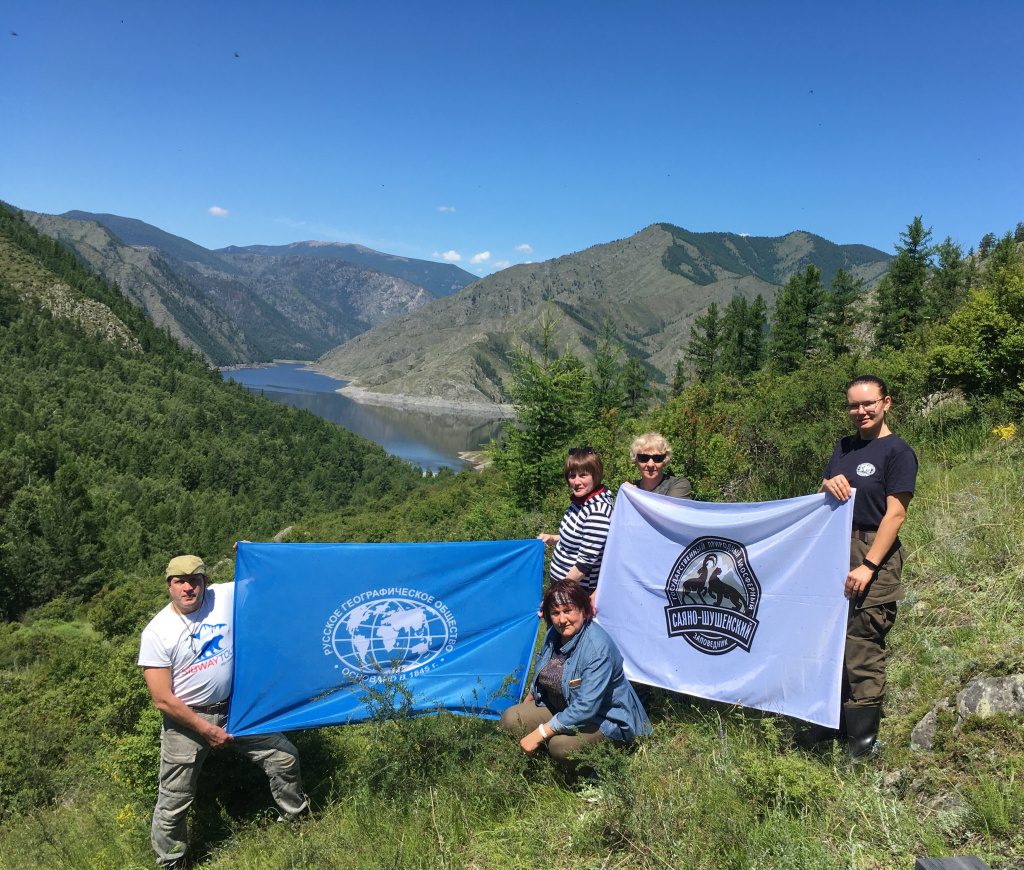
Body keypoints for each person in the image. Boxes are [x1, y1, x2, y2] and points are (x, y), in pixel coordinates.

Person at [138, 555, 308, 867]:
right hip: (186, 720)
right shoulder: (156, 632)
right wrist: (206, 730)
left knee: (284, 758)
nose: (189, 587)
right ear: (169, 585)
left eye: (195, 579)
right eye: (180, 581)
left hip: (237, 708)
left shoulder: (222, 595)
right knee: (175, 798)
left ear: (204, 580)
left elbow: (264, 581)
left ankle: (297, 820)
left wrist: (251, 555)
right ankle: (172, 860)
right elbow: (162, 699)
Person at [813, 375, 917, 762]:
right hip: (836, 547)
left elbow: (897, 513)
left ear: (886, 402)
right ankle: (830, 723)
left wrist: (869, 565)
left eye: (868, 404)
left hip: (873, 551)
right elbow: (826, 491)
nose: (861, 412)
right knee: (832, 636)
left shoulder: (897, 452)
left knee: (862, 640)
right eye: (854, 406)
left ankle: (862, 744)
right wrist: (828, 482)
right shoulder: (844, 446)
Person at [499, 578, 651, 773]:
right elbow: (542, 676)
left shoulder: (597, 649)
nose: (562, 620)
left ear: (582, 609)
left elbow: (586, 708)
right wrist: (527, 705)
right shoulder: (554, 634)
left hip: (604, 719)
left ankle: (601, 768)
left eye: (568, 611)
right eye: (555, 613)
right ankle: (541, 758)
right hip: (563, 705)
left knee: (560, 747)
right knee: (511, 718)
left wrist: (539, 733)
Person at [538, 447, 615, 595]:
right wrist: (553, 538)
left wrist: (557, 593)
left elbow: (584, 564)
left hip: (576, 592)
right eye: (572, 476)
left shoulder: (597, 511)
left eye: (583, 475)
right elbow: (579, 537)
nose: (576, 482)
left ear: (595, 475)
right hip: (564, 586)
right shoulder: (581, 502)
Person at [622, 432, 692, 498]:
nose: (650, 464)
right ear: (636, 460)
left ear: (664, 460)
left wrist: (636, 496)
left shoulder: (679, 485)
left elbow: (668, 510)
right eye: (644, 458)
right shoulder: (632, 489)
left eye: (657, 458)